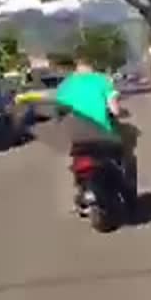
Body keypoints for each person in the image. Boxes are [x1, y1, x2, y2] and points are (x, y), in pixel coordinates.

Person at [55, 56, 138, 207]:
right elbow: (115, 109)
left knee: (75, 159)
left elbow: (58, 114)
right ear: (92, 66)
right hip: (102, 134)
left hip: (76, 137)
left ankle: (81, 189)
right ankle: (129, 193)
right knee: (126, 153)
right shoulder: (102, 80)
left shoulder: (64, 86)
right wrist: (120, 112)